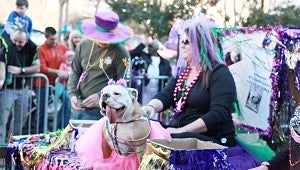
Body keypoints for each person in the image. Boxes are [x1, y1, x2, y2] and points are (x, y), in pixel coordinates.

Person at [142, 13, 237, 147]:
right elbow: (166, 95)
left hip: (212, 138)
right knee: (148, 129)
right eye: (182, 41)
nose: (182, 46)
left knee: (167, 138)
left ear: (201, 45)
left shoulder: (219, 73)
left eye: (187, 42)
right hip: (182, 132)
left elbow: (218, 114)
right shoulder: (183, 71)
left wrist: (180, 131)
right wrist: (150, 107)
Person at [68, 10, 133, 120]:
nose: (103, 41)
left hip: (105, 110)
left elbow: (123, 83)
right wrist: (72, 95)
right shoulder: (83, 45)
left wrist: (100, 96)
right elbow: (74, 72)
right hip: (80, 105)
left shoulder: (121, 52)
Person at [0, 29, 39, 143]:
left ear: (26, 41)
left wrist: (21, 70)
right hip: (7, 91)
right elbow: (2, 74)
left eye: (20, 42)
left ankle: (13, 145)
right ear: (11, 38)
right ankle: (1, 147)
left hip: (22, 90)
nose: (17, 44)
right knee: (2, 119)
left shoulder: (31, 49)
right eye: (14, 40)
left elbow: (37, 67)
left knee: (21, 119)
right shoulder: (4, 50)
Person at [35, 26, 70, 133]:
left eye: (55, 39)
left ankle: (61, 131)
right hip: (43, 83)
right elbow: (42, 67)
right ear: (46, 37)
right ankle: (39, 133)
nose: (54, 41)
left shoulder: (63, 48)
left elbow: (69, 60)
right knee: (41, 110)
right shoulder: (41, 49)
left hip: (60, 84)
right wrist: (57, 72)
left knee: (66, 104)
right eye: (51, 39)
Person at [129, 39, 172, 105]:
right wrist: (144, 44)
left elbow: (169, 77)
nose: (149, 48)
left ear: (157, 48)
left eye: (151, 46)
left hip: (157, 90)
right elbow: (131, 55)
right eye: (148, 46)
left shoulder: (165, 62)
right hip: (144, 90)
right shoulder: (144, 56)